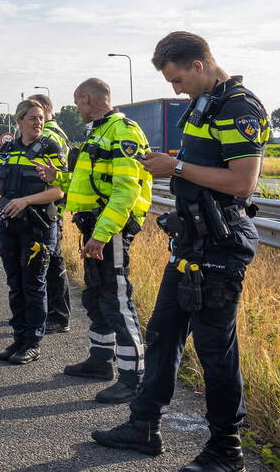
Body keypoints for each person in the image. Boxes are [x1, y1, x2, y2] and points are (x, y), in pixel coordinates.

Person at [93, 33, 270, 471]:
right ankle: (143, 424)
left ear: (198, 64)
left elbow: (242, 183)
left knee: (214, 350)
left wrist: (177, 167)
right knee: (163, 333)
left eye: (176, 79)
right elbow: (201, 164)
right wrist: (171, 163)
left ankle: (226, 451)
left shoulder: (238, 107)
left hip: (219, 245)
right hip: (191, 242)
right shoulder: (206, 102)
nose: (174, 89)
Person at [35, 78, 152, 404]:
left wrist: (102, 235)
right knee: (97, 297)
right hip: (95, 227)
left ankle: (133, 377)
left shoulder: (123, 131)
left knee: (117, 300)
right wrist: (57, 178)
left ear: (86, 98)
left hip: (109, 230)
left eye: (77, 103)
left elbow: (125, 190)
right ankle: (100, 361)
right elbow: (90, 181)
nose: (76, 109)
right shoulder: (98, 131)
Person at [0, 99, 65, 364]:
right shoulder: (7, 148)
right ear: (19, 121)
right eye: (32, 118)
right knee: (15, 284)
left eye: (41, 118)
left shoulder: (51, 148)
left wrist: (26, 200)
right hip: (9, 227)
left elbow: (59, 190)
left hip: (38, 227)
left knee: (33, 285)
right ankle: (18, 338)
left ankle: (33, 342)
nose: (38, 123)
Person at [28, 93, 72, 333]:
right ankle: (52, 312)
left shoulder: (49, 136)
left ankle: (58, 315)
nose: (36, 122)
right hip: (53, 206)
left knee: (52, 261)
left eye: (37, 112)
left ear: (45, 109)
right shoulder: (60, 132)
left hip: (50, 207)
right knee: (50, 260)